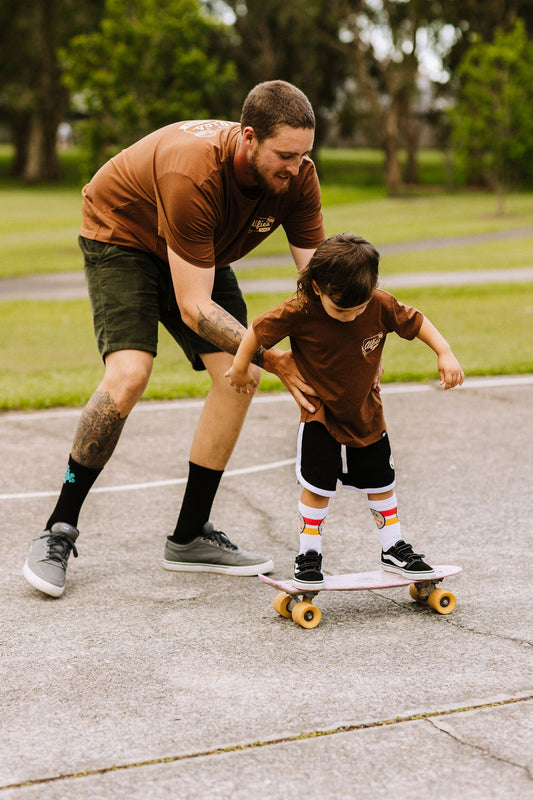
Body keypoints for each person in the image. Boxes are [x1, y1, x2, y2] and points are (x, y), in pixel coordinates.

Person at [23, 80, 328, 598]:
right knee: (129, 373)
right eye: (285, 155)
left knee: (240, 377)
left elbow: (317, 282)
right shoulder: (196, 171)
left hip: (196, 249)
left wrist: (347, 350)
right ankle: (57, 529)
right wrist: (279, 358)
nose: (296, 168)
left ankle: (189, 537)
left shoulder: (297, 177)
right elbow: (195, 307)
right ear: (248, 137)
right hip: (123, 234)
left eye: (304, 155)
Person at [225, 232, 465, 589]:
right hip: (319, 413)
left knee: (382, 482)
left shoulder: (379, 304)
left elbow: (416, 322)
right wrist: (242, 367)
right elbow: (258, 331)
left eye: (360, 307)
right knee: (317, 486)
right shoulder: (300, 309)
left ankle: (393, 548)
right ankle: (309, 555)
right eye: (342, 309)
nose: (352, 315)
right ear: (318, 287)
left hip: (367, 413)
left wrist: (444, 352)